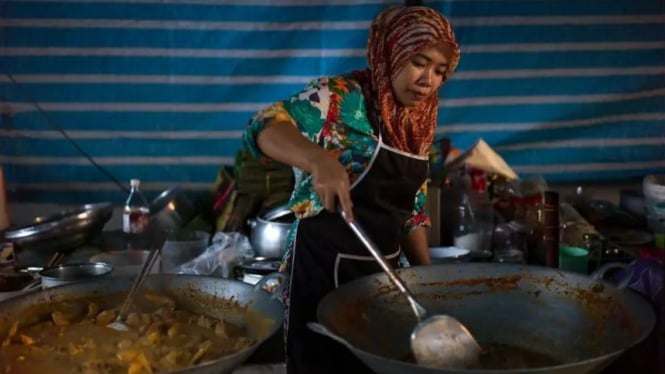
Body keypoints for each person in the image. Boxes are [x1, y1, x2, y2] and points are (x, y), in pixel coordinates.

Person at [243, 5, 460, 373]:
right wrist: (318, 160)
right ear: (394, 52)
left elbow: (412, 209)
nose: (428, 80)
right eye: (419, 61)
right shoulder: (340, 98)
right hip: (319, 274)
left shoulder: (419, 120)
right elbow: (262, 126)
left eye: (440, 71)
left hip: (383, 280)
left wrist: (427, 283)